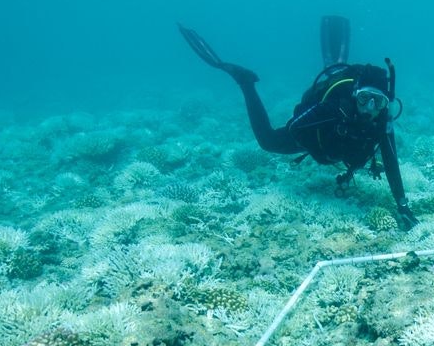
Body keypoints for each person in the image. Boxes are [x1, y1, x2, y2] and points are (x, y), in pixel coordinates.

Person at [178, 16, 417, 228]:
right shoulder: (336, 106)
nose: (369, 108)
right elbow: (294, 126)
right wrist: (327, 131)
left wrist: (403, 205)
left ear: (386, 103)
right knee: (267, 141)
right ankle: (245, 82)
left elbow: (391, 160)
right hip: (317, 137)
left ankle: (333, 63)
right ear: (355, 95)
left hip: (336, 150)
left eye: (378, 102)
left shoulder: (382, 121)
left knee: (335, 77)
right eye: (364, 99)